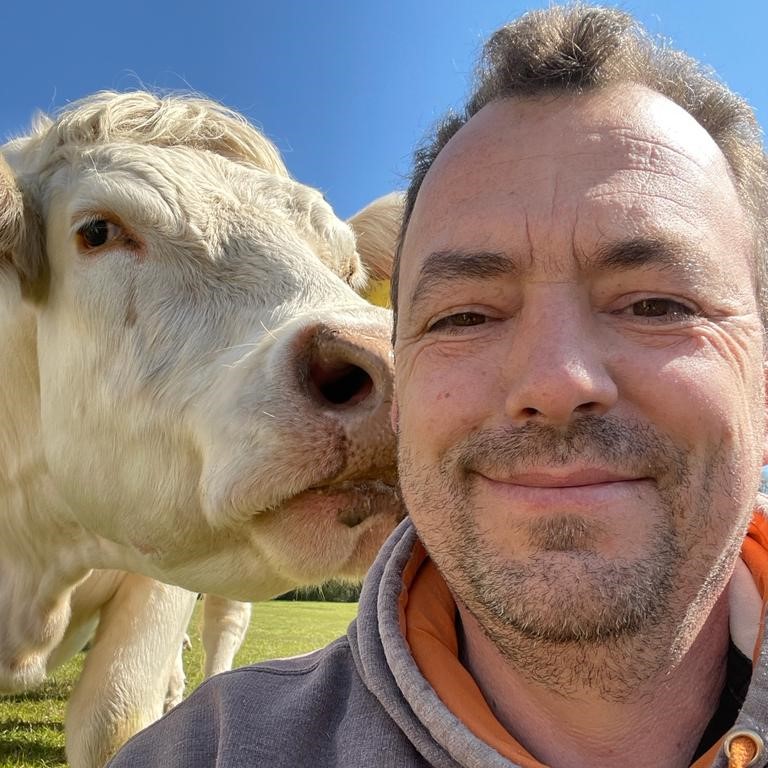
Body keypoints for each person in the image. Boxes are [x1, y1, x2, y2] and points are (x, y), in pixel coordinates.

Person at [107, 5, 768, 767]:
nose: (554, 382)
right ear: (401, 379)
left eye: (658, 305)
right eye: (464, 317)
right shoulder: (205, 754)